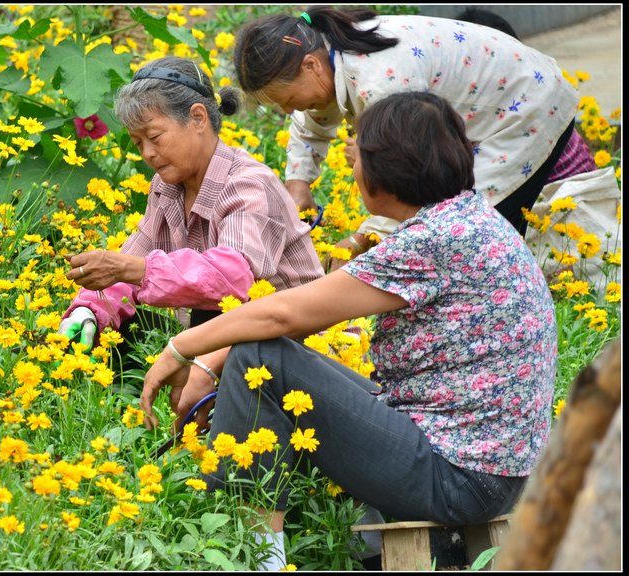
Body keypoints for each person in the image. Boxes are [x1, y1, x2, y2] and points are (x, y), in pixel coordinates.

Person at [140, 91, 557, 571]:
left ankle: (253, 558)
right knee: (259, 355)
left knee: (260, 357)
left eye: (356, 156)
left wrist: (181, 348)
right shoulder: (468, 219)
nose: (353, 168)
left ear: (389, 169)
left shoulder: (435, 241)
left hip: (459, 477)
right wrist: (213, 360)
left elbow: (285, 315)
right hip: (484, 467)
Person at [59, 56, 324, 418]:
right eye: (138, 144)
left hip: (294, 351)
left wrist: (130, 269)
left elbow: (231, 277)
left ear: (198, 118)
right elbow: (132, 259)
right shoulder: (167, 188)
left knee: (198, 316)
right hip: (227, 340)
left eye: (154, 137)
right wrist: (88, 309)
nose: (148, 154)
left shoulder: (248, 183)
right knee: (115, 333)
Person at [232, 6, 598, 269]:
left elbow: (411, 182)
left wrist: (362, 243)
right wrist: (299, 183)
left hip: (526, 105)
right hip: (491, 102)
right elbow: (312, 116)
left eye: (286, 100)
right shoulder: (327, 51)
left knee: (468, 221)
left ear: (310, 66)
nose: (288, 111)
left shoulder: (381, 80)